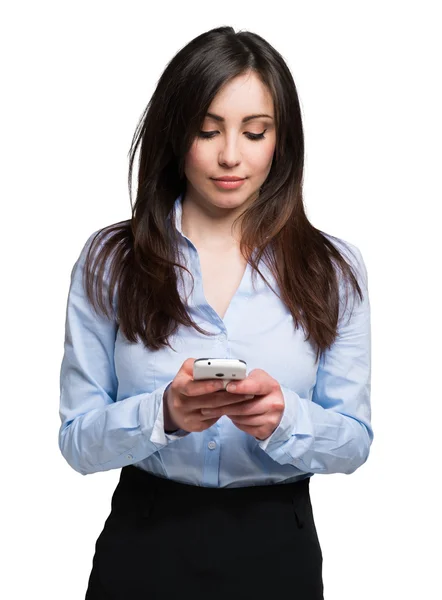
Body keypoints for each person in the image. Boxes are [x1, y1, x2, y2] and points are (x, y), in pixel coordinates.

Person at [58, 26, 373, 600]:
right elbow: (78, 441)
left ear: (282, 140)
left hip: (279, 548)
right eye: (207, 131)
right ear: (176, 135)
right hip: (144, 543)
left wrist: (285, 420)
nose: (231, 155)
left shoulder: (332, 268)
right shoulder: (111, 260)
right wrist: (165, 414)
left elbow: (354, 440)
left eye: (255, 132)